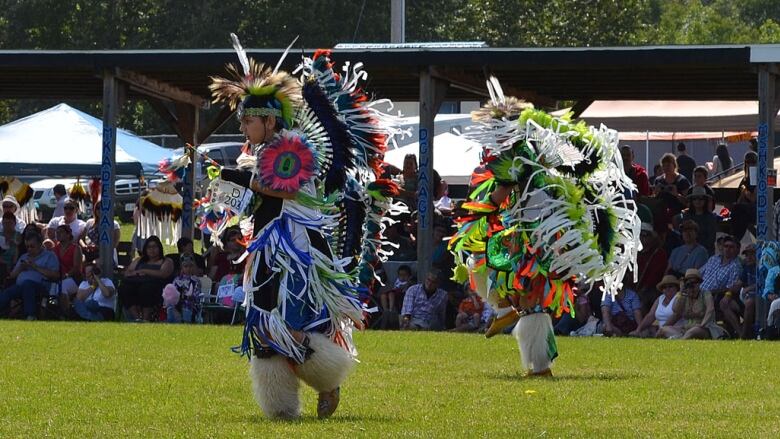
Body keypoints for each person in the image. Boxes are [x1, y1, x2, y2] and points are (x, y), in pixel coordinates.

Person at [207, 42, 399, 420]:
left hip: (294, 250)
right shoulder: (262, 153)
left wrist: (239, 178)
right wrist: (232, 190)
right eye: (243, 121)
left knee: (294, 321)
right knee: (263, 321)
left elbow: (286, 189)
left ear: (271, 121)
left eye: (249, 120)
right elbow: (259, 199)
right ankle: (280, 406)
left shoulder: (292, 147)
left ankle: (328, 380)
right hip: (267, 246)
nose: (243, 126)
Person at [449, 79, 639, 377]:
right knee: (521, 293)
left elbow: (498, 197)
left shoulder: (516, 157)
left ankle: (536, 361)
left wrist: (476, 217)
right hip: (543, 234)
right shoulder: (538, 149)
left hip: (537, 237)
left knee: (521, 292)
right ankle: (522, 336)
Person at [0, 233, 59, 320]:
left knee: (28, 285)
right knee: (8, 291)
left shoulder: (50, 256)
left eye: (32, 246)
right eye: (27, 246)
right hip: (21, 286)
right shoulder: (24, 256)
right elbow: (12, 275)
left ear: (40, 244)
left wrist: (35, 267)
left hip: (42, 287)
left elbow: (55, 275)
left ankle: (30, 315)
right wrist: (20, 268)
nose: (29, 249)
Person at [118, 235, 174, 321]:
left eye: (154, 247)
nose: (152, 250)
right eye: (149, 247)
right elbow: (127, 273)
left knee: (146, 289)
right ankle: (136, 317)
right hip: (136, 284)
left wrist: (144, 271)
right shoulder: (139, 260)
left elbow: (163, 274)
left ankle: (146, 318)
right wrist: (136, 273)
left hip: (156, 287)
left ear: (159, 248)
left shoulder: (166, 261)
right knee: (124, 288)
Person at [661, 268, 726, 339]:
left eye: (694, 282)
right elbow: (675, 310)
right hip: (685, 329)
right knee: (664, 329)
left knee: (693, 331)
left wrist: (702, 324)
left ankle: (680, 341)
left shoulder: (705, 294)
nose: (692, 285)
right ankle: (681, 337)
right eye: (688, 282)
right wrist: (681, 292)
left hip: (704, 328)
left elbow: (710, 309)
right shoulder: (683, 295)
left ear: (699, 283)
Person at [719, 243, 757, 339]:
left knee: (749, 303)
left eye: (752, 254)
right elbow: (738, 283)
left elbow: (764, 284)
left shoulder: (762, 268)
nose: (748, 257)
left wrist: (749, 288)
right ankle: (741, 334)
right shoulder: (747, 268)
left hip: (759, 300)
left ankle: (744, 335)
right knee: (724, 303)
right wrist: (728, 294)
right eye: (747, 255)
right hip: (745, 298)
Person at [699, 234, 742, 308]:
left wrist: (710, 292)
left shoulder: (735, 267)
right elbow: (699, 273)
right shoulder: (714, 259)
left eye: (731, 247)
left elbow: (729, 288)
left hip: (711, 296)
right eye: (726, 246)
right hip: (696, 291)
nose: (727, 249)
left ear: (737, 250)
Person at [635, 223, 668, 313]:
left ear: (652, 237)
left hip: (653, 288)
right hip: (636, 287)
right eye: (640, 234)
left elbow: (657, 274)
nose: (642, 237)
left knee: (640, 302)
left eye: (645, 235)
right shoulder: (635, 252)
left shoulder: (659, 253)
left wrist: (644, 287)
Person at [652, 153, 690, 226]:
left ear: (674, 165)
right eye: (664, 166)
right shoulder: (658, 180)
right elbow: (653, 200)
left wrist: (677, 195)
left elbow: (688, 202)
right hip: (661, 214)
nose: (666, 168)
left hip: (677, 214)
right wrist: (656, 192)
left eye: (668, 165)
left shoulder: (682, 181)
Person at [679, 186, 718, 255]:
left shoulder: (710, 217)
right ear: (691, 201)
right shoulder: (686, 216)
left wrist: (697, 249)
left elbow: (711, 239)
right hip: (688, 250)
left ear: (705, 201)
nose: (697, 201)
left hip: (705, 251)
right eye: (694, 199)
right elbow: (683, 236)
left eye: (701, 199)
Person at [163, 254, 202, 323]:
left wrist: (188, 297)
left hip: (190, 304)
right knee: (170, 307)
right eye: (185, 266)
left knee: (186, 306)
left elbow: (197, 295)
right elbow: (172, 293)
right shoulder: (177, 280)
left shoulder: (196, 280)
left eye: (191, 266)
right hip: (177, 304)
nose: (188, 269)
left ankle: (185, 323)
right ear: (182, 268)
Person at [79, 200, 120, 265]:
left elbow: (115, 244)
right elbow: (81, 238)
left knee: (93, 264)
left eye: (102, 207)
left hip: (107, 255)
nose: (100, 210)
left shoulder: (114, 224)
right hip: (89, 253)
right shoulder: (89, 222)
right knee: (81, 262)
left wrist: (98, 247)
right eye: (97, 208)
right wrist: (84, 246)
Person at [53, 224, 83, 313]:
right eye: (57, 233)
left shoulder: (76, 248)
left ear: (68, 234)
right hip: (58, 278)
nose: (58, 234)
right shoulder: (55, 249)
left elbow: (76, 267)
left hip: (74, 279)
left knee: (63, 287)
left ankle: (65, 313)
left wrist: (66, 275)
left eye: (61, 232)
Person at [730, 151, 757, 240]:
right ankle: (736, 238)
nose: (750, 164)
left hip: (757, 209)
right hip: (745, 210)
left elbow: (753, 198)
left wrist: (744, 190)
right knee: (736, 208)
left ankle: (736, 238)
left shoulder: (759, 177)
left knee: (738, 209)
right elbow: (739, 200)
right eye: (748, 162)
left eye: (753, 162)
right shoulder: (745, 179)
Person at [0, 212, 22, 281]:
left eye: (10, 223)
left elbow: (18, 244)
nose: (7, 225)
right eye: (5, 223)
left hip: (13, 262)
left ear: (15, 223)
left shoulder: (18, 235)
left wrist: (13, 242)